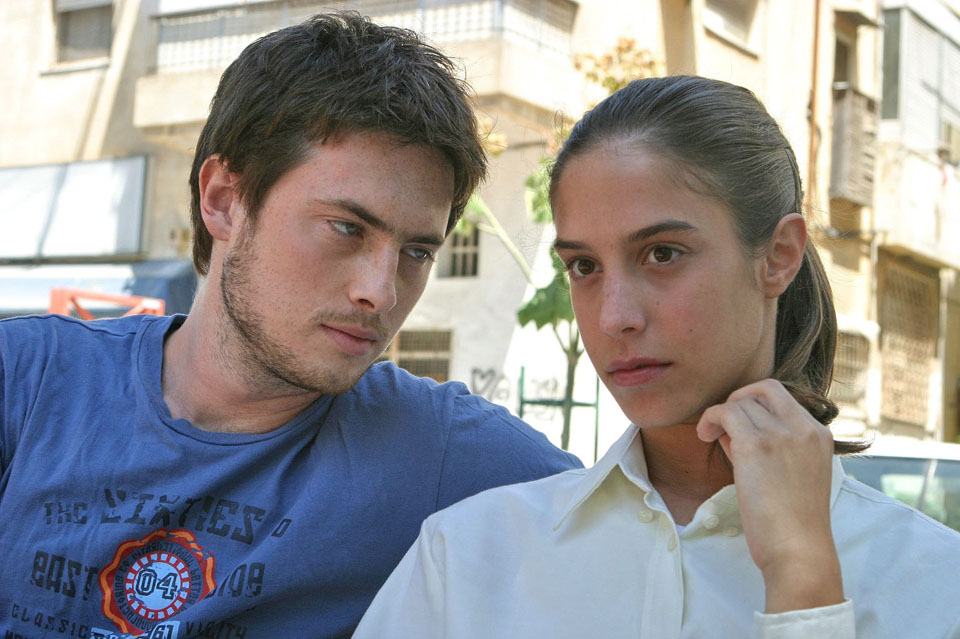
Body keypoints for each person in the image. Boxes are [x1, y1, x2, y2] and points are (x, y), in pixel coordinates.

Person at [0, 12, 580, 639]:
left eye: (416, 251)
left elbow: (638, 521)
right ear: (224, 199)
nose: (381, 291)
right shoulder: (28, 381)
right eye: (346, 228)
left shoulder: (440, 451)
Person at [354, 75, 960, 638]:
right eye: (584, 266)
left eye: (663, 253)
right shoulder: (467, 556)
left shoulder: (934, 581)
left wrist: (802, 577)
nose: (615, 316)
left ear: (779, 256)